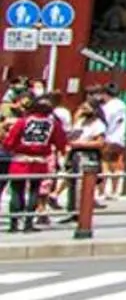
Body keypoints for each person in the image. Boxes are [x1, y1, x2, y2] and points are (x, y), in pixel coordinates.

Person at [4, 96, 66, 234]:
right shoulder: (53, 124)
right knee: (34, 191)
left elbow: (9, 142)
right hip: (39, 161)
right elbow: (60, 141)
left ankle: (14, 224)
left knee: (16, 191)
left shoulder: (23, 121)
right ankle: (28, 223)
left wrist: (11, 147)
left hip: (20, 160)